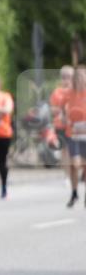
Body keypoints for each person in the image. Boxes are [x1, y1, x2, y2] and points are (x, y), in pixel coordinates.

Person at [62, 65, 86, 207]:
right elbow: (62, 110)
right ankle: (74, 192)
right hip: (73, 135)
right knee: (75, 164)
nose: (80, 80)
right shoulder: (69, 94)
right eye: (78, 77)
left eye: (83, 77)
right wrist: (66, 118)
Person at [51, 65, 75, 201]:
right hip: (61, 125)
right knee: (65, 151)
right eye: (64, 77)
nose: (66, 80)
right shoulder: (57, 92)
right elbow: (53, 110)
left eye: (69, 77)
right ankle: (67, 177)